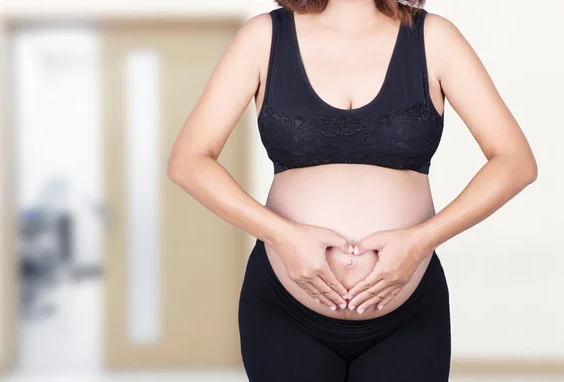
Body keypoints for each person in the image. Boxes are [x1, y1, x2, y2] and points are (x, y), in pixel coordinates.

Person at [167, 0, 538, 381]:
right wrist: (282, 235)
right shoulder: (263, 38)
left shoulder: (434, 38)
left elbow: (515, 162)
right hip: (284, 310)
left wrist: (421, 241)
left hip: (407, 318)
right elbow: (189, 161)